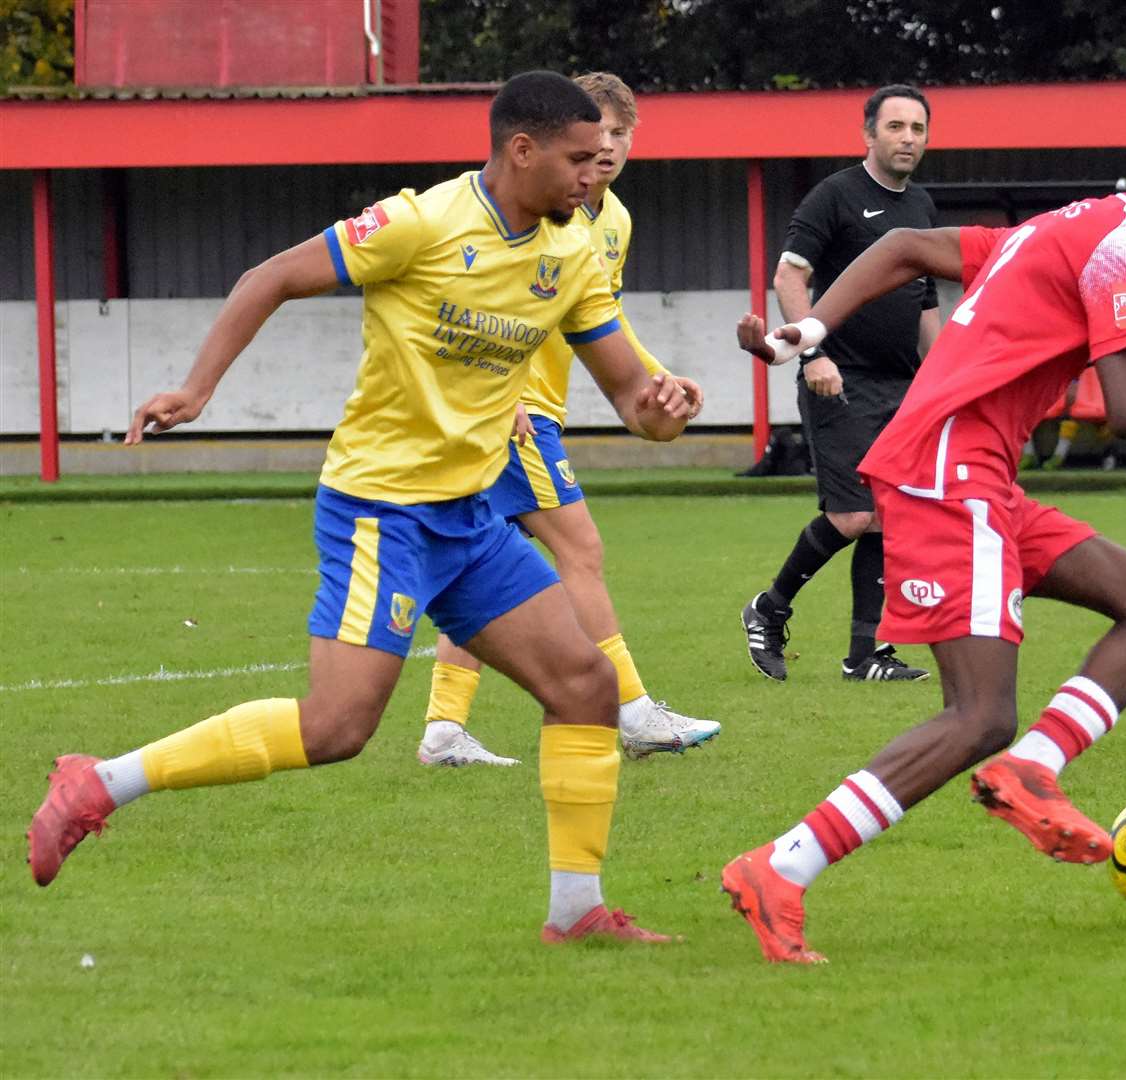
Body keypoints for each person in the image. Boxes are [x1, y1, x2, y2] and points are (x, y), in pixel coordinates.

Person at [26, 71, 693, 946]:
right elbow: (269, 277)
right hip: (381, 509)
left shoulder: (573, 251)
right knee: (338, 727)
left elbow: (632, 399)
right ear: (520, 151)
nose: (591, 174)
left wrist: (664, 411)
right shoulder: (417, 223)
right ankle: (98, 783)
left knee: (584, 685)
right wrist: (196, 388)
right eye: (575, 158)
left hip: (468, 515)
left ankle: (576, 912)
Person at [728, 125, 1126, 963]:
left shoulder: (1070, 221)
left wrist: (809, 330)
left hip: (982, 477)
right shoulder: (1123, 252)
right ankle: (780, 867)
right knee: (978, 714)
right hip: (952, 475)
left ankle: (1030, 771)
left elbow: (910, 245)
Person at [417, 72, 720, 769]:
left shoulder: (612, 221)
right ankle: (634, 711)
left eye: (619, 134)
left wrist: (655, 376)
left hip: (533, 414)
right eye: (595, 137)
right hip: (514, 416)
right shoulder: (544, 208)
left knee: (476, 566)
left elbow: (601, 322)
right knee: (580, 551)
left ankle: (442, 728)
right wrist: (503, 392)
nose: (606, 149)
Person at [740, 84, 941, 684]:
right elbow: (788, 277)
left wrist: (943, 377)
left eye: (918, 129)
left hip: (901, 385)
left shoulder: (922, 206)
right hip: (839, 380)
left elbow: (926, 300)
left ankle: (866, 655)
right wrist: (813, 356)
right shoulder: (834, 196)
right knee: (854, 517)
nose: (908, 138)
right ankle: (768, 609)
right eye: (896, 127)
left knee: (890, 516)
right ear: (870, 135)